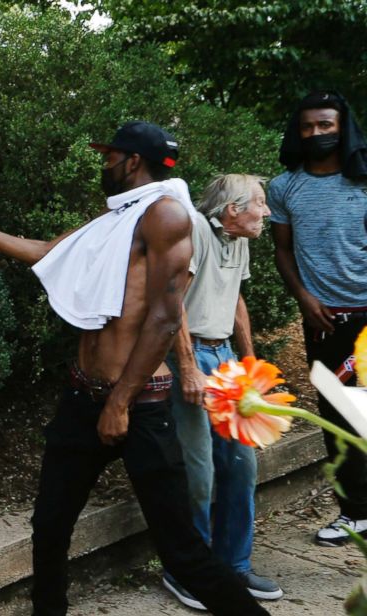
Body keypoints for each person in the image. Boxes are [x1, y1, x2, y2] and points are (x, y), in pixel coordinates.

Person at [0, 121, 269, 616]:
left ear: (132, 160)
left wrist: (119, 403)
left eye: (109, 157)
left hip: (139, 405)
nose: (104, 165)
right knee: (50, 526)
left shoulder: (167, 217)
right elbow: (50, 252)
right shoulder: (118, 218)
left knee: (183, 551)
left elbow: (164, 317)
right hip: (81, 396)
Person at [162, 174, 282, 609]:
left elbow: (235, 299)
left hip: (225, 356)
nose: (266, 212)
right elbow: (172, 298)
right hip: (188, 356)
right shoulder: (194, 228)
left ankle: (233, 567)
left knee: (241, 464)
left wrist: (250, 364)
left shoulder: (240, 238)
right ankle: (186, 571)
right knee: (199, 472)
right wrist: (190, 366)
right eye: (260, 204)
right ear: (232, 210)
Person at [269, 91, 367, 547]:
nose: (317, 134)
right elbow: (283, 250)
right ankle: (355, 514)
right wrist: (304, 298)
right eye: (308, 127)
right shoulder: (284, 187)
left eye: (326, 125)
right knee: (339, 414)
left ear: (342, 127)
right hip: (323, 321)